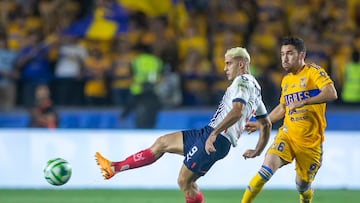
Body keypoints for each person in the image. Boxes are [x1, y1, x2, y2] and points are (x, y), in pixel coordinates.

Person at [95, 47, 272, 203]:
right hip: (209, 134)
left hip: (216, 138)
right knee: (162, 143)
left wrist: (214, 134)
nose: (225, 68)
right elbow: (266, 124)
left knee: (184, 181)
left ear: (241, 64)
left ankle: (114, 168)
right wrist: (258, 150)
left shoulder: (241, 82)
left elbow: (237, 111)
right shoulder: (256, 90)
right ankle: (115, 167)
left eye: (228, 63)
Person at [240, 36, 338, 203]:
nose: (284, 58)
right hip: (287, 135)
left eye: (290, 53)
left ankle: (305, 197)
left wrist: (304, 101)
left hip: (310, 143)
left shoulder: (313, 72)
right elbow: (283, 108)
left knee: (302, 185)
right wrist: (260, 123)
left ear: (301, 55)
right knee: (266, 170)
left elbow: (331, 93)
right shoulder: (286, 80)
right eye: (282, 54)